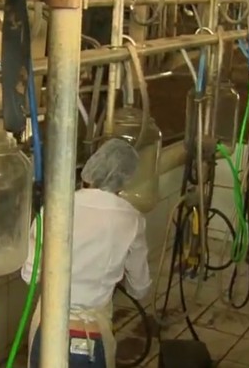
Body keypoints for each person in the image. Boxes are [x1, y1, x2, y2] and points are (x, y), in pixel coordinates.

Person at [23, 138, 152, 368]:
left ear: (90, 169)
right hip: (93, 329)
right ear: (125, 180)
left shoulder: (55, 205)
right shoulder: (131, 219)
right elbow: (140, 287)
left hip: (47, 324)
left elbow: (29, 274)